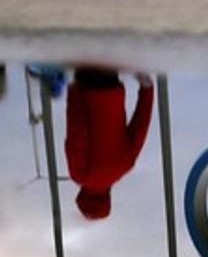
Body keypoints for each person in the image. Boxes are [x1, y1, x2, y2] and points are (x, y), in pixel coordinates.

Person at [65, 67, 153, 220]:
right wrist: (74, 93)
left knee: (107, 50)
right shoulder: (80, 174)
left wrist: (147, 90)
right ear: (82, 197)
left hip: (113, 89)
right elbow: (77, 131)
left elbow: (140, 128)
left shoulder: (124, 167)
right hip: (87, 89)